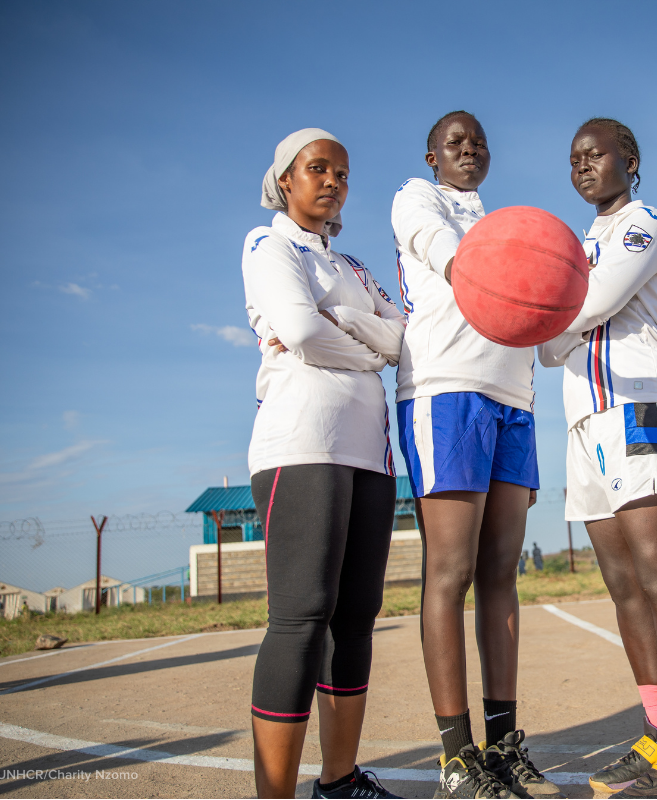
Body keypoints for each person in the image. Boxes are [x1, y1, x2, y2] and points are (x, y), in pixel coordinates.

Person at [538, 118, 657, 799]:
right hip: (584, 421)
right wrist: (559, 319)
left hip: (640, 407)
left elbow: (593, 301)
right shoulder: (577, 242)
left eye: (595, 154)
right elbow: (546, 345)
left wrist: (560, 314)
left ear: (630, 159)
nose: (583, 166)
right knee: (623, 588)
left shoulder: (643, 222)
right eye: (573, 159)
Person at [392, 111, 560, 799]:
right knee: (451, 570)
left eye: (479, 142)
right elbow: (451, 258)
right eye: (455, 142)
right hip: (446, 393)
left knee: (501, 574)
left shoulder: (497, 217)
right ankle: (455, 760)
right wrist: (521, 271)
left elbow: (543, 315)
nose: (468, 149)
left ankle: (502, 745)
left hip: (512, 399)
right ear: (432, 154)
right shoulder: (416, 198)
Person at [242, 128, 405, 799]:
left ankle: (339, 782)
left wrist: (348, 326)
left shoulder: (356, 268)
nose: (333, 180)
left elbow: (401, 338)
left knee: (356, 614)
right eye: (318, 168)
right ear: (286, 180)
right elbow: (302, 329)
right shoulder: (267, 243)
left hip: (369, 452)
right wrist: (363, 342)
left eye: (341, 171)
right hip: (301, 443)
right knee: (302, 615)